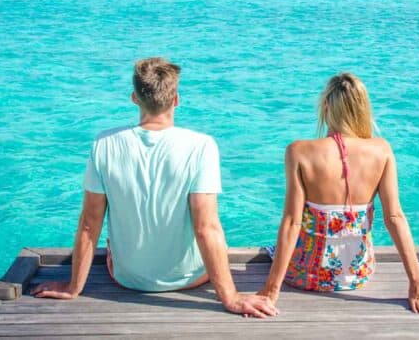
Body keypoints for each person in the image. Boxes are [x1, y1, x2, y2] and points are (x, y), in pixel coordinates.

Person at [31, 57, 278, 318]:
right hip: (191, 278)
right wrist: (231, 298)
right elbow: (206, 228)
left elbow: (90, 224)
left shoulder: (104, 144)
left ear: (134, 98)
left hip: (127, 278)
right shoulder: (201, 146)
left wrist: (73, 287)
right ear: (176, 100)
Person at [257, 72, 419, 316]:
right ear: (362, 108)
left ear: (327, 106)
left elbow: (292, 222)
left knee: (272, 246)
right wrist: (417, 284)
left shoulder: (298, 151)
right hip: (357, 275)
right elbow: (395, 218)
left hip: (305, 276)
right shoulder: (382, 150)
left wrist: (270, 290)